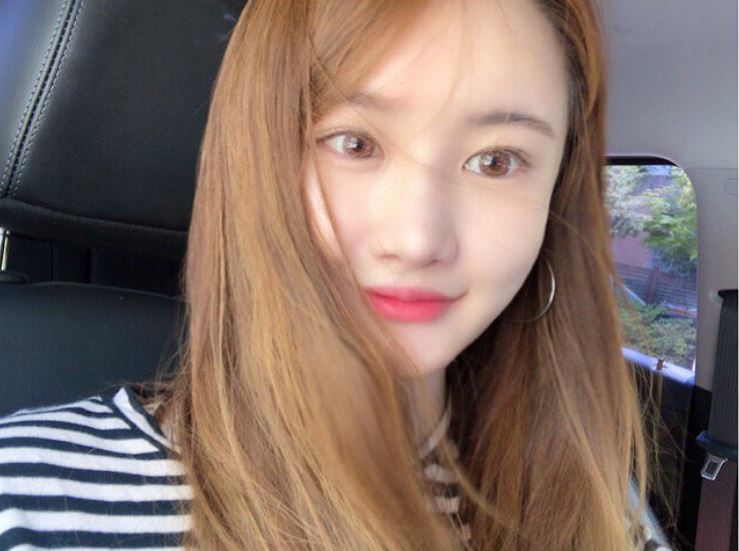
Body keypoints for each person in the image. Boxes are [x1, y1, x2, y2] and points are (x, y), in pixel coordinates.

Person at [0, 1, 675, 550]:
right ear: (256, 161)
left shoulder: (597, 501)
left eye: (496, 161)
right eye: (354, 144)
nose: (417, 240)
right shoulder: (29, 498)